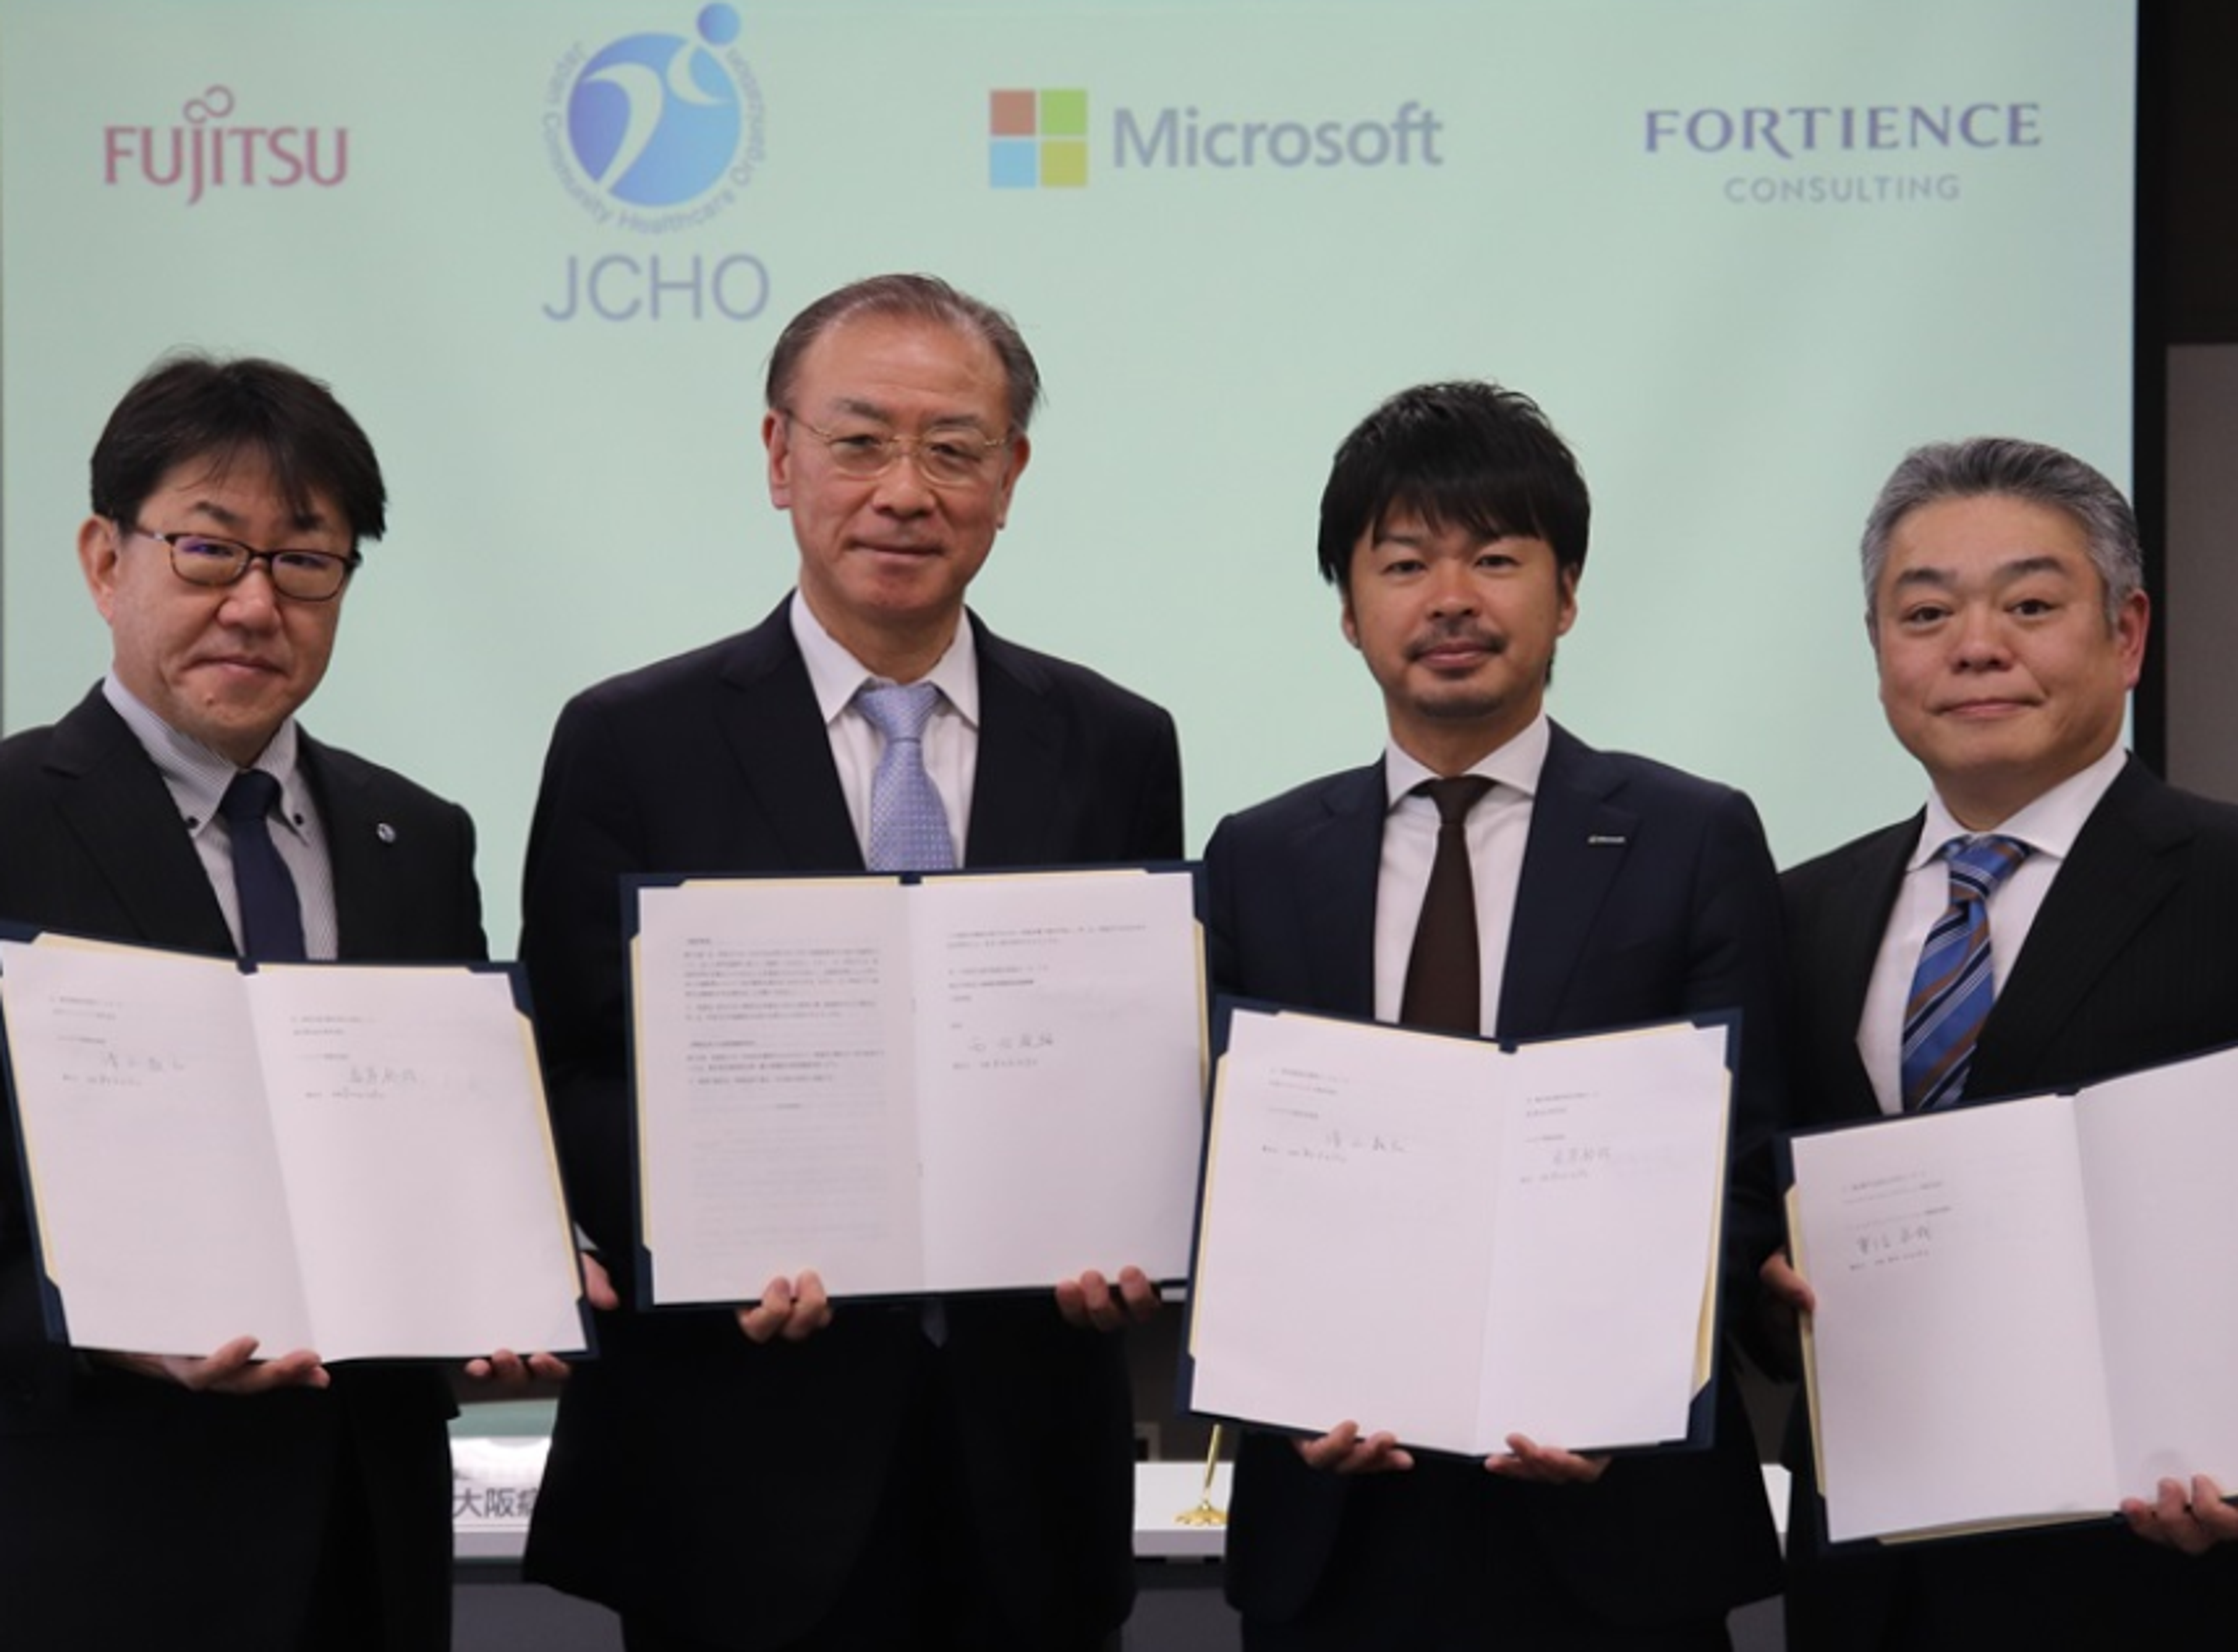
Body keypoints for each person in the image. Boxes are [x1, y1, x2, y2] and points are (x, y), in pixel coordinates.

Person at [519, 273, 1184, 1652]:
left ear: (1011, 477)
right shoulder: (630, 741)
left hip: (1027, 1484)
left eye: (954, 448)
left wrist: (1138, 1231)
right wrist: (697, 1228)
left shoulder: (1117, 744)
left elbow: (1135, 1066)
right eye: (860, 439)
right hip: (733, 1466)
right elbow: (568, 1067)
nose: (906, 489)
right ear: (779, 457)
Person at [1204, 379, 1786, 1650]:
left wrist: (1624, 1389)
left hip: (1616, 1518)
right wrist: (1281, 1378)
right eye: (1406, 562)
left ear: (1567, 593)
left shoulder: (1692, 835)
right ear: (1349, 611)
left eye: (1498, 557)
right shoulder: (1260, 856)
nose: (1452, 598)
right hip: (1338, 1520)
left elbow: (1746, 1167)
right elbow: (1231, 1173)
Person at [0, 354, 562, 1649]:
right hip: (87, 1548)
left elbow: (446, 1156)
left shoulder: (414, 836)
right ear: (104, 558)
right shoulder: (15, 822)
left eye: (307, 561)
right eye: (210, 551)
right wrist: (109, 1329)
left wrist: (509, 1292)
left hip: (370, 1548)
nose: (256, 604)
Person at [1765, 436, 2238, 1649]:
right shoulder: (1797, 912)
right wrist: (1766, 1291)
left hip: (2160, 1582)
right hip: (1869, 1592)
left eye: (2031, 604)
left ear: (2127, 634)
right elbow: (1759, 1207)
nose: (1977, 646)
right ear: (1878, 651)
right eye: (1925, 612)